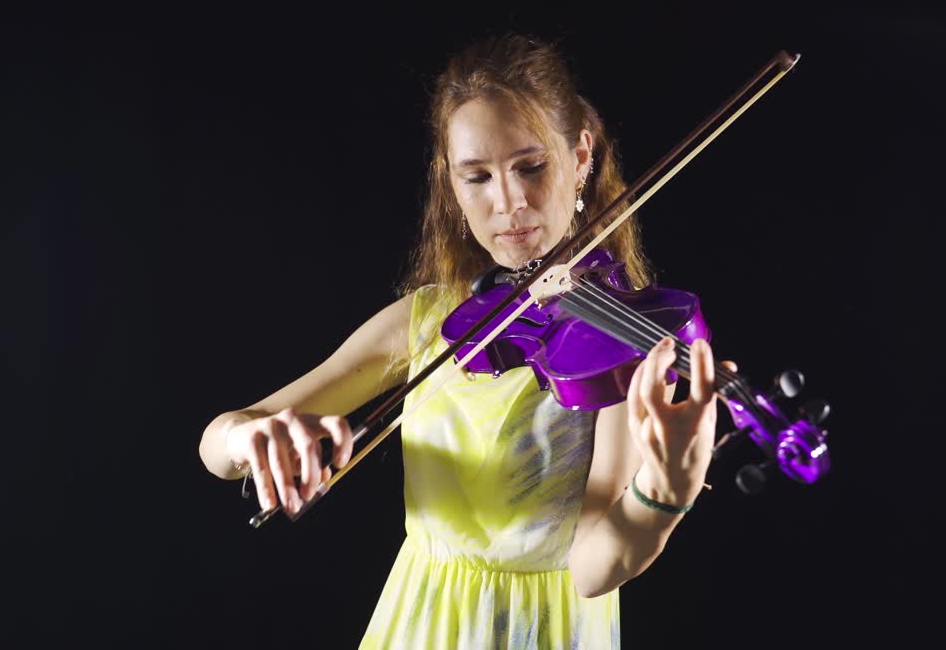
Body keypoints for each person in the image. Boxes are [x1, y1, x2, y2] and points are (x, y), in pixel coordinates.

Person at [198, 34, 732, 649]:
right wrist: (246, 438)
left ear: (581, 156)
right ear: (451, 184)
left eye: (531, 167)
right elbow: (219, 448)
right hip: (420, 625)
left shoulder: (620, 340)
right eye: (477, 176)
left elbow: (592, 569)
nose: (508, 203)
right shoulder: (427, 321)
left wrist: (663, 492)